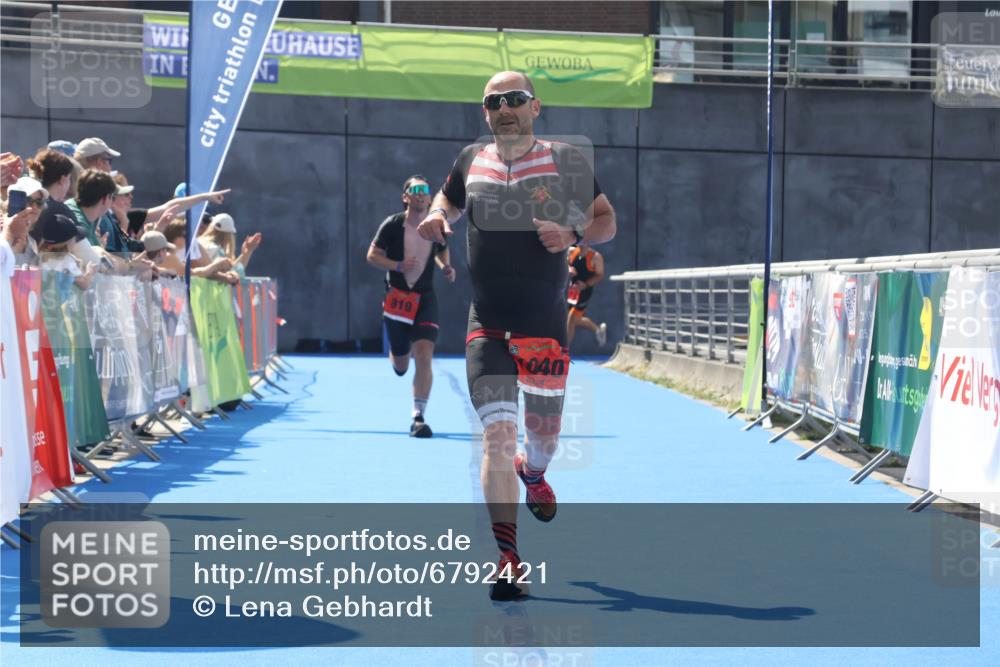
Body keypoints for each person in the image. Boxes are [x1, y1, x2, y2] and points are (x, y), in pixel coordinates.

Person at [418, 72, 616, 600]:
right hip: (486, 323)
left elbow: (606, 220)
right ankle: (508, 558)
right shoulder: (470, 159)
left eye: (514, 99)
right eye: (493, 102)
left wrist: (573, 231)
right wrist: (437, 215)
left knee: (542, 439)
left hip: (543, 327)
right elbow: (447, 200)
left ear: (535, 107)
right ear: (484, 111)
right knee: (498, 437)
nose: (504, 108)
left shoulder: (564, 160)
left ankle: (535, 472)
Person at [367, 175, 456, 438]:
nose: (420, 193)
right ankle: (397, 354)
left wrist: (446, 266)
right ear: (405, 197)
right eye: (415, 189)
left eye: (425, 190)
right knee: (402, 365)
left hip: (425, 298)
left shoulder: (436, 225)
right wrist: (397, 265)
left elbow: (441, 250)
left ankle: (418, 416)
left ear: (430, 198)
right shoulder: (393, 225)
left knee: (425, 353)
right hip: (397, 298)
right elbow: (372, 255)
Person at [566, 243, 608, 347]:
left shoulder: (595, 257)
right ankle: (598, 330)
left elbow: (599, 275)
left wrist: (585, 284)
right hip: (571, 292)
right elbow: (564, 264)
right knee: (572, 319)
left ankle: (564, 350)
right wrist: (569, 269)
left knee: (571, 319)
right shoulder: (572, 251)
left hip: (584, 293)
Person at [199, 213, 261, 282]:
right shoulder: (215, 249)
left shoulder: (198, 245)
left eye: (206, 221)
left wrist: (247, 251)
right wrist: (248, 251)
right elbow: (234, 274)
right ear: (230, 235)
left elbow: (232, 270)